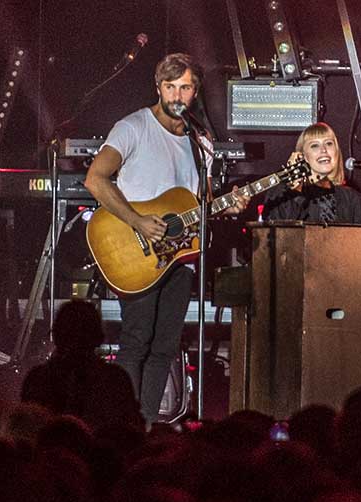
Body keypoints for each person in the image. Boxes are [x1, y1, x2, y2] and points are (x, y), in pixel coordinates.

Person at [84, 53, 248, 425]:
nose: (177, 95)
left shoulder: (200, 142)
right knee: (136, 340)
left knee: (165, 346)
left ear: (195, 91)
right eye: (170, 87)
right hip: (134, 252)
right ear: (157, 88)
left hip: (179, 257)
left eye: (185, 87)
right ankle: (120, 424)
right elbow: (96, 179)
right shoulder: (133, 127)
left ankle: (146, 424)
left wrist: (230, 204)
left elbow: (201, 203)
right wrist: (137, 221)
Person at [21, 299, 143, 431]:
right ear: (99, 337)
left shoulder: (38, 379)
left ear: (56, 335)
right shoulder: (116, 379)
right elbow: (133, 430)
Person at [264, 122, 361, 223]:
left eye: (329, 143)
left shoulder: (352, 199)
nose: (323, 150)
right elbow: (278, 234)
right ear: (303, 156)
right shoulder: (281, 194)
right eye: (315, 145)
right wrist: (295, 189)